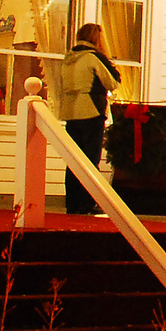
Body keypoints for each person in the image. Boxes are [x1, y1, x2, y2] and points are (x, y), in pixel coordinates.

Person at [55, 23, 121, 215]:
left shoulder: (68, 59)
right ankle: (86, 203)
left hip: (70, 113)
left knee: (73, 160)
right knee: (90, 160)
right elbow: (113, 82)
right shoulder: (93, 58)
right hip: (91, 112)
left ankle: (72, 203)